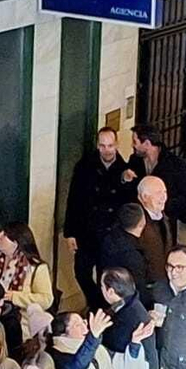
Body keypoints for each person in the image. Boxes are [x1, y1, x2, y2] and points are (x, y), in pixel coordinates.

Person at [65, 127, 131, 309]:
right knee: (81, 273)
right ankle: (96, 304)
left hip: (111, 233)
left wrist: (124, 181)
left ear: (116, 145)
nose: (106, 150)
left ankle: (102, 309)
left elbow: (129, 203)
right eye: (102, 146)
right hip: (87, 231)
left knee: (106, 275)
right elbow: (74, 200)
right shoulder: (84, 166)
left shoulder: (125, 170)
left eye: (110, 145)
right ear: (97, 146)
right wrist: (70, 233)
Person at [125, 124, 186, 229]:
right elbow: (130, 189)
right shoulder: (135, 160)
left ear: (147, 143)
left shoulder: (176, 164)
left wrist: (162, 205)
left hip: (166, 223)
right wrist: (125, 179)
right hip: (140, 221)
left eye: (135, 142)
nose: (132, 146)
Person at [0, 222, 54, 316]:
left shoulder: (36, 268)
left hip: (20, 320)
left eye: (4, 235)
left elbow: (46, 299)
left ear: (15, 242)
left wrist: (14, 297)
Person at [96, 202, 153, 293]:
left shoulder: (109, 239)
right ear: (142, 223)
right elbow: (139, 286)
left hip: (108, 292)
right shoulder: (133, 254)